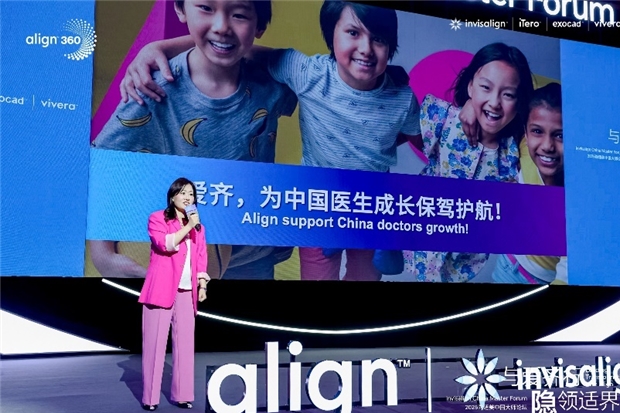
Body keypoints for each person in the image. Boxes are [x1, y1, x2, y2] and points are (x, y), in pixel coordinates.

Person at [121, 0, 423, 281]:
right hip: (317, 205)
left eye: (378, 39)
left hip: (371, 208)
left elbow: (416, 138)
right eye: (353, 33)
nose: (366, 49)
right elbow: (236, 46)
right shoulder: (307, 73)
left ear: (391, 44)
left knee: (366, 278)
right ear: (332, 35)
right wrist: (159, 47)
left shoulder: (403, 99)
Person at [90, 0, 297, 280]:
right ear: (180, 9)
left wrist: (162, 46)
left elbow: (311, 73)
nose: (221, 26)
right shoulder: (152, 88)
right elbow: (104, 165)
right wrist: (102, 254)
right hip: (181, 257)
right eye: (205, 8)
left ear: (259, 25)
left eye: (239, 14)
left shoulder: (273, 84)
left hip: (253, 256)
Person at [404, 42, 534, 282]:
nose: (494, 102)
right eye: (485, 87)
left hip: (464, 260)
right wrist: (467, 104)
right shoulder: (443, 118)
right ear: (470, 85)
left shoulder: (514, 153)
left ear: (519, 102)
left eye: (508, 94)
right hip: (423, 241)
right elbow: (396, 105)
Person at [140, 178, 210, 411]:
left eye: (191, 194)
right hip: (161, 289)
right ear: (172, 197)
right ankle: (150, 399)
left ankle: (183, 395)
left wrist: (202, 285)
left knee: (185, 345)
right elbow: (164, 244)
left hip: (187, 291)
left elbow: (201, 257)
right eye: (183, 193)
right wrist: (188, 227)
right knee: (155, 345)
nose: (188, 197)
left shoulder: (199, 228)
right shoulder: (158, 218)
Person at [492, 83, 567, 285]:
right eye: (537, 131)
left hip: (540, 281)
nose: (547, 146)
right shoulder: (525, 146)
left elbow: (567, 272)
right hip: (507, 263)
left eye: (560, 135)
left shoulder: (580, 197)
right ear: (526, 131)